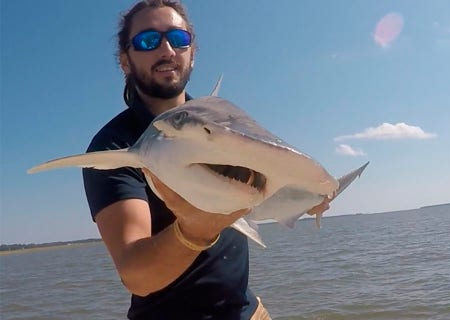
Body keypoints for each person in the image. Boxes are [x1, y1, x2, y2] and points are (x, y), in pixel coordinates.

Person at [82, 1, 330, 319]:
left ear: (193, 52)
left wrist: (308, 194)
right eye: (148, 41)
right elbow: (136, 276)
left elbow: (269, 178)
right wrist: (194, 231)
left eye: (179, 38)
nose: (168, 50)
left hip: (250, 313)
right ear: (125, 62)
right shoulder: (114, 147)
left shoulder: (229, 122)